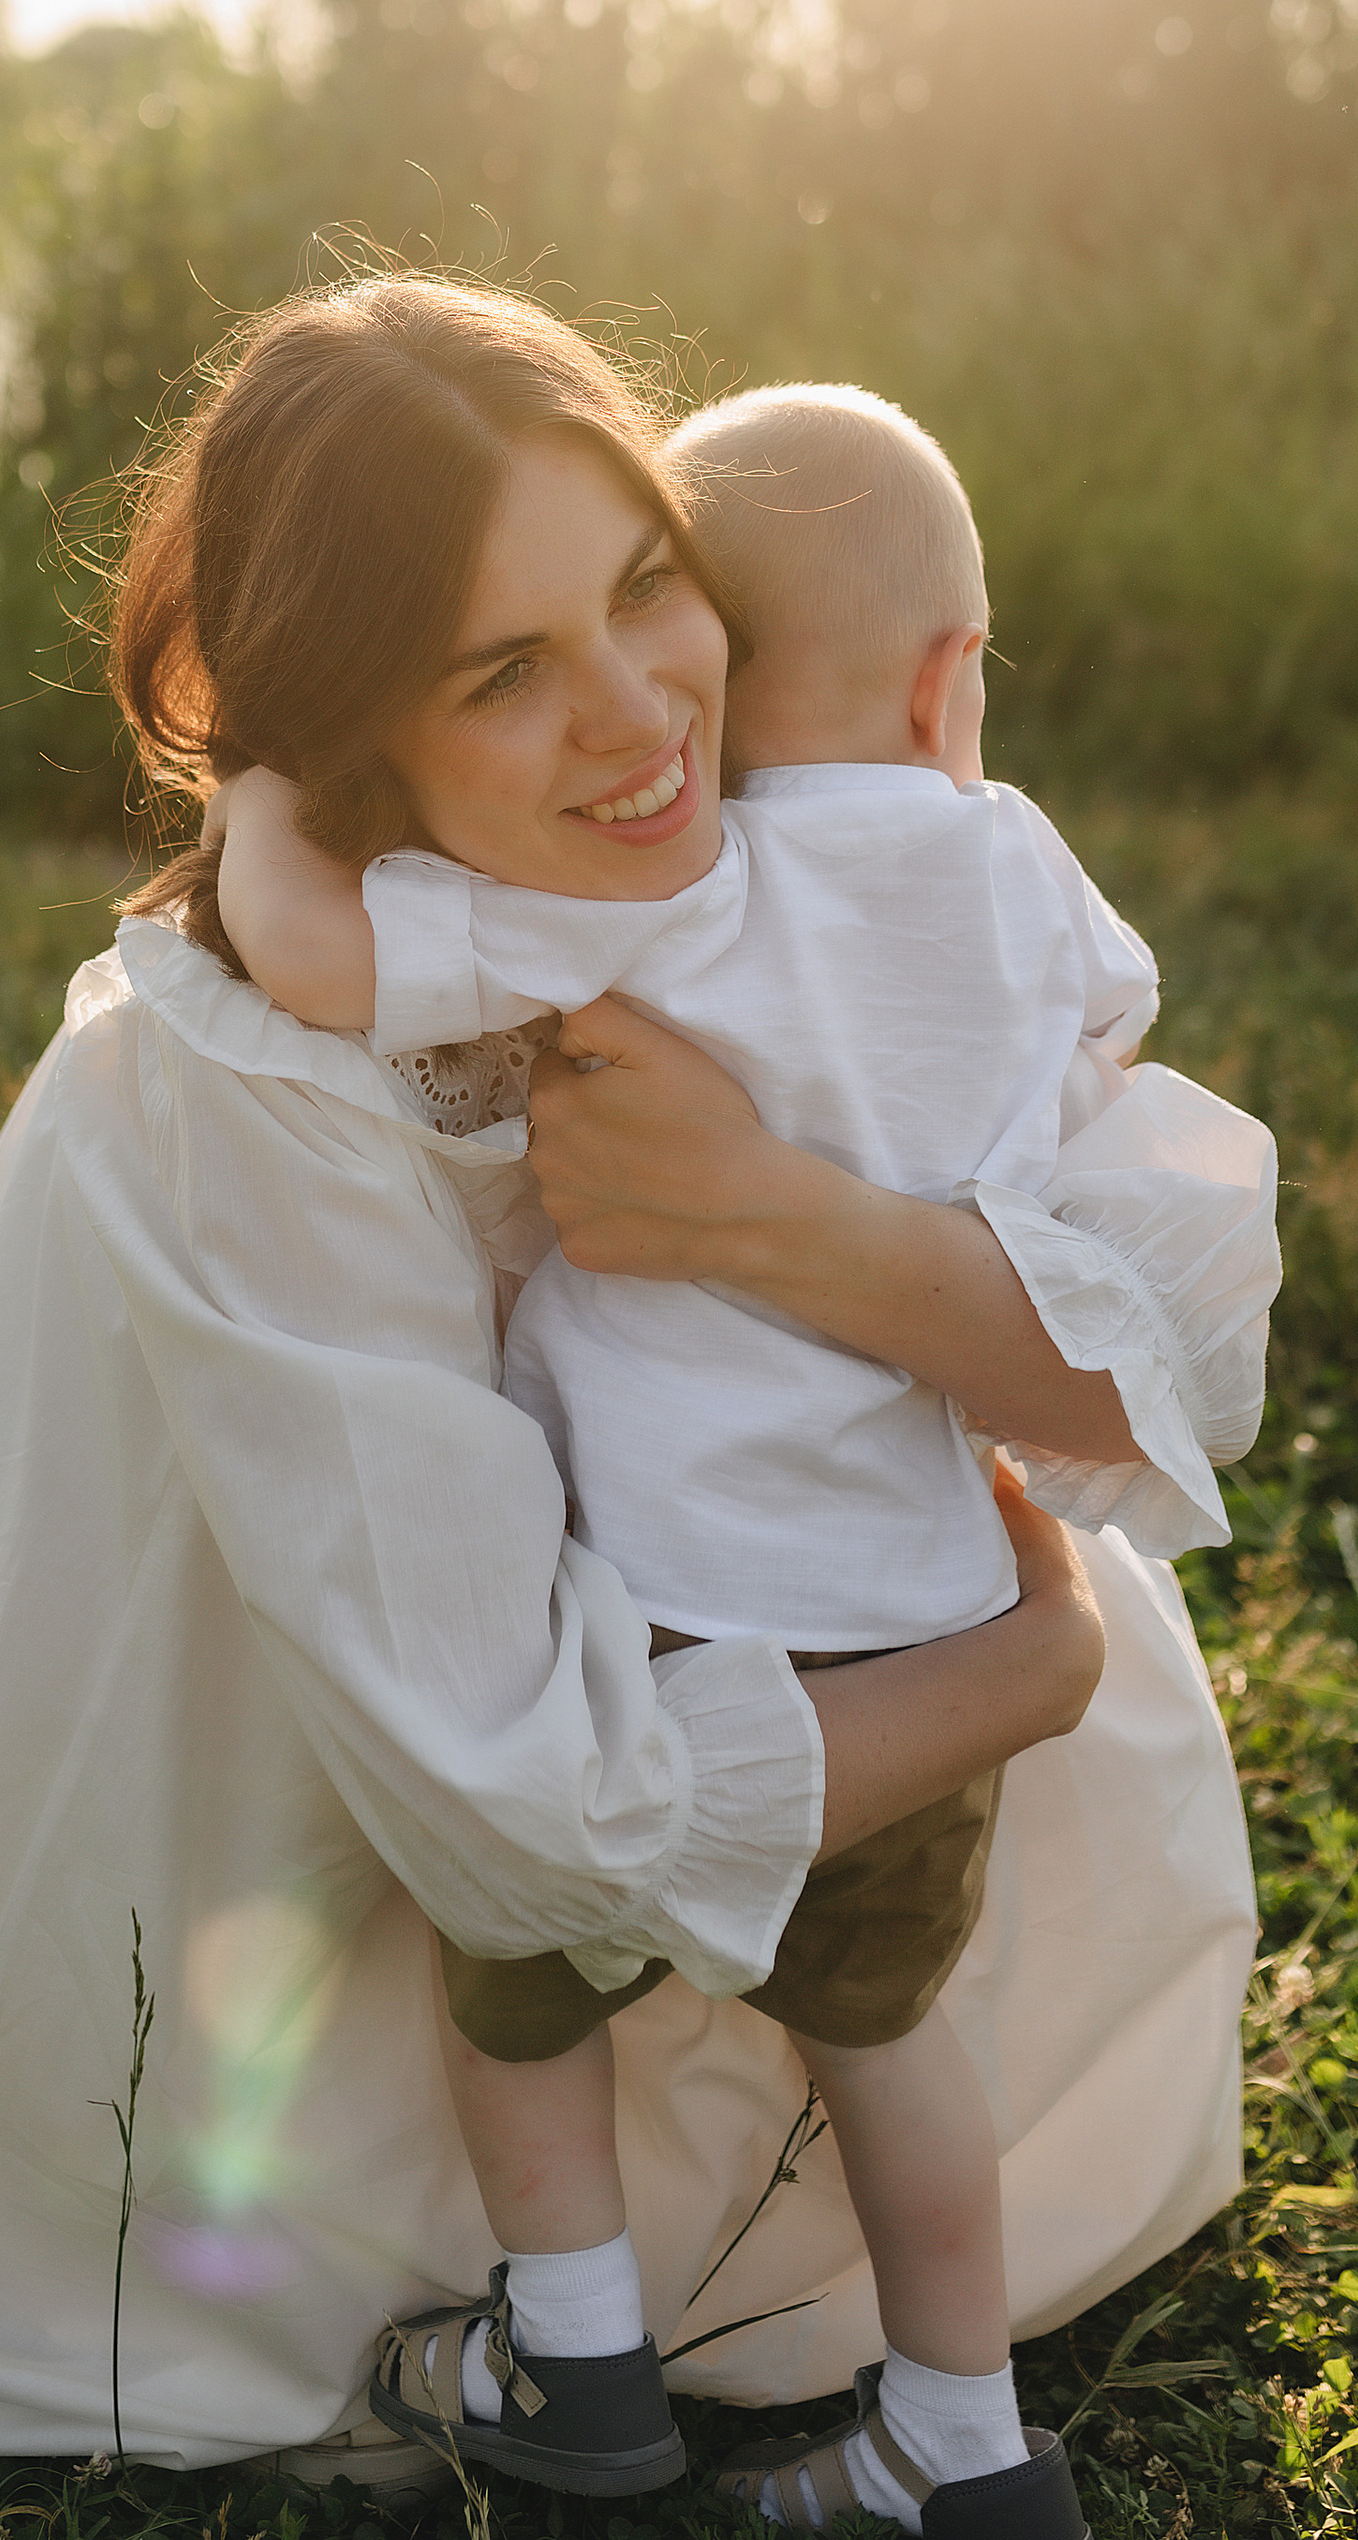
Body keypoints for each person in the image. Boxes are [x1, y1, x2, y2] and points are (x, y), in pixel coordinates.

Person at [0, 276, 1255, 2479]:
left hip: (780, 1714)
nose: (641, 704)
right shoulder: (252, 1087)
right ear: (355, 738)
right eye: (500, 665)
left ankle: (755, 2298)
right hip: (367, 1883)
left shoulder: (739, 866)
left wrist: (771, 1216)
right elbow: (514, 1803)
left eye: (650, 583)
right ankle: (595, 2322)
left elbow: (1170, 1346)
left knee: (861, 2051)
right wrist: (1021, 1667)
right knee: (556, 2057)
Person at [213, 382, 1279, 2536]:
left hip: (650, 1602)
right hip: (917, 1598)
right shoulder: (1023, 879)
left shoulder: (665, 896)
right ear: (952, 672)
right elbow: (1099, 1066)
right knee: (891, 2035)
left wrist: (252, 799)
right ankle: (957, 2438)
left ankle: (580, 2347)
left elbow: (315, 955)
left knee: (513, 1978)